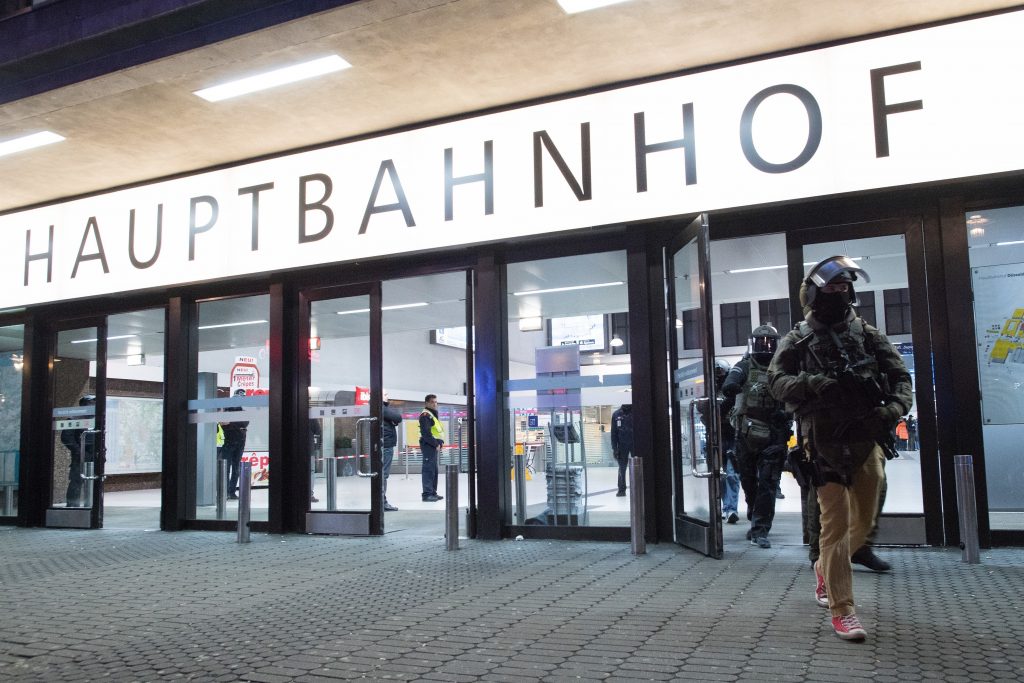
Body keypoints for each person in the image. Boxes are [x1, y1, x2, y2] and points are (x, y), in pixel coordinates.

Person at [768, 255, 912, 641]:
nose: (839, 292)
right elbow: (776, 382)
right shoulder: (798, 339)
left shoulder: (868, 334)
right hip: (822, 442)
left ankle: (824, 570)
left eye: (844, 286)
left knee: (862, 521)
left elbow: (901, 377)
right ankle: (842, 609)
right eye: (832, 287)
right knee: (834, 524)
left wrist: (892, 410)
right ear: (814, 293)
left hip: (866, 439)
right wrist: (811, 383)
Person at [722, 323, 791, 548]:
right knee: (748, 481)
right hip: (746, 434)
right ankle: (754, 514)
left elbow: (793, 395)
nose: (765, 347)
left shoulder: (781, 369)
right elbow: (731, 382)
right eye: (761, 342)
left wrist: (785, 415)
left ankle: (760, 530)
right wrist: (730, 387)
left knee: (768, 483)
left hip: (773, 434)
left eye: (769, 343)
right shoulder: (744, 366)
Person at [700, 360, 739, 522]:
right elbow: (701, 409)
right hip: (716, 436)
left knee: (732, 474)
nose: (718, 375)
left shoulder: (733, 388)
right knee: (721, 475)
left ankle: (731, 509)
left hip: (733, 435)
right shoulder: (709, 389)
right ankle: (726, 506)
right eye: (715, 371)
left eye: (720, 371)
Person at [60, 394, 96, 508]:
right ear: (84, 406)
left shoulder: (97, 419)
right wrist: (79, 451)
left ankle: (92, 505)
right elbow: (66, 437)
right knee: (77, 480)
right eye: (91, 404)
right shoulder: (74, 418)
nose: (94, 407)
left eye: (95, 404)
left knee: (94, 481)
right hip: (80, 455)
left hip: (94, 455)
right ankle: (72, 505)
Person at [220, 389, 249, 500]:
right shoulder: (227, 409)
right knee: (225, 468)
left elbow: (245, 423)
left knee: (236, 469)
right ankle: (225, 492)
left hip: (240, 443)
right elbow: (223, 423)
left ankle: (231, 492)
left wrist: (231, 423)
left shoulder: (242, 410)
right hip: (229, 442)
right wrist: (238, 425)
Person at [419, 394, 445, 502]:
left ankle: (433, 492)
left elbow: (436, 432)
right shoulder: (425, 415)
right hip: (428, 445)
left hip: (433, 445)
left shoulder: (432, 415)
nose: (434, 404)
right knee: (428, 470)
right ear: (426, 403)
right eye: (432, 402)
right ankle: (427, 494)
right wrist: (436, 444)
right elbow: (426, 434)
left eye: (435, 402)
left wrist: (440, 442)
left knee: (433, 470)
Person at [381, 391, 403, 511]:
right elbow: (398, 417)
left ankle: (381, 502)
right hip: (385, 445)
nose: (387, 397)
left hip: (383, 444)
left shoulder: (378, 408)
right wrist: (393, 420)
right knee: (383, 474)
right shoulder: (380, 407)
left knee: (382, 474)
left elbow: (394, 419)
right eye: (385, 395)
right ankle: (382, 503)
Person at [610, 404, 633, 496]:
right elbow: (613, 433)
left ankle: (639, 487)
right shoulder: (616, 414)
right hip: (622, 445)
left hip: (635, 444)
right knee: (622, 468)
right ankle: (621, 489)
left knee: (638, 467)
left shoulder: (636, 412)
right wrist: (614, 448)